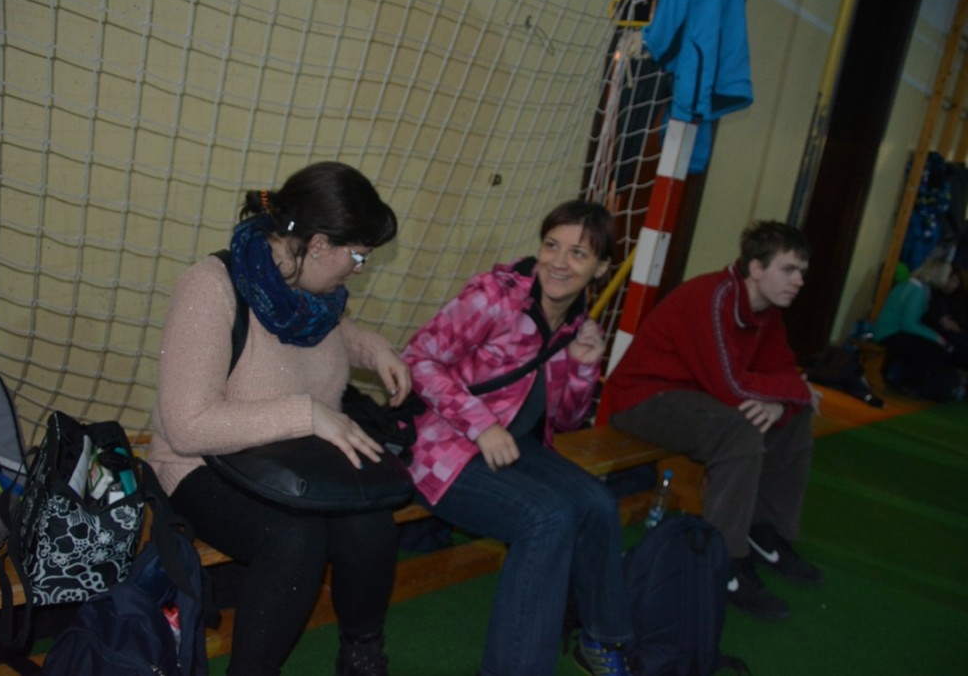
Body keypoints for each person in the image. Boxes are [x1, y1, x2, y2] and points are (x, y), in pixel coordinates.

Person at [147, 161, 411, 676]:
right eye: (357, 255)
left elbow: (329, 332)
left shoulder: (312, 292)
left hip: (294, 458)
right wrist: (307, 414)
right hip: (203, 463)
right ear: (318, 245)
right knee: (295, 538)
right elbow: (187, 426)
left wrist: (375, 348)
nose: (360, 268)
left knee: (370, 521)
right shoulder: (210, 287)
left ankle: (361, 654)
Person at [401, 201, 634, 676]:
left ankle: (600, 639)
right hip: (441, 447)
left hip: (514, 444)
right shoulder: (495, 297)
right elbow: (417, 359)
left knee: (597, 503)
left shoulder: (574, 322)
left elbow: (566, 419)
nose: (559, 262)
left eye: (578, 253)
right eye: (552, 246)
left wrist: (584, 365)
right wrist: (480, 424)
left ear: (600, 268)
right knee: (546, 519)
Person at [605, 220, 823, 621]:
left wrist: (783, 403)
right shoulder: (712, 298)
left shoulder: (768, 313)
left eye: (802, 272)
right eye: (789, 270)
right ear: (755, 268)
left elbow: (782, 373)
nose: (799, 281)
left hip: (699, 399)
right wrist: (793, 391)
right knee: (739, 430)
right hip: (643, 399)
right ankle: (724, 562)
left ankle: (764, 533)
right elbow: (732, 386)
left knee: (793, 416)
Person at [874, 256, 966, 401]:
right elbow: (909, 325)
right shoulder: (917, 290)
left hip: (889, 330)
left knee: (926, 347)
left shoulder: (913, 286)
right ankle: (916, 386)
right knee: (930, 349)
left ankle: (911, 384)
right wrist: (936, 337)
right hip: (890, 333)